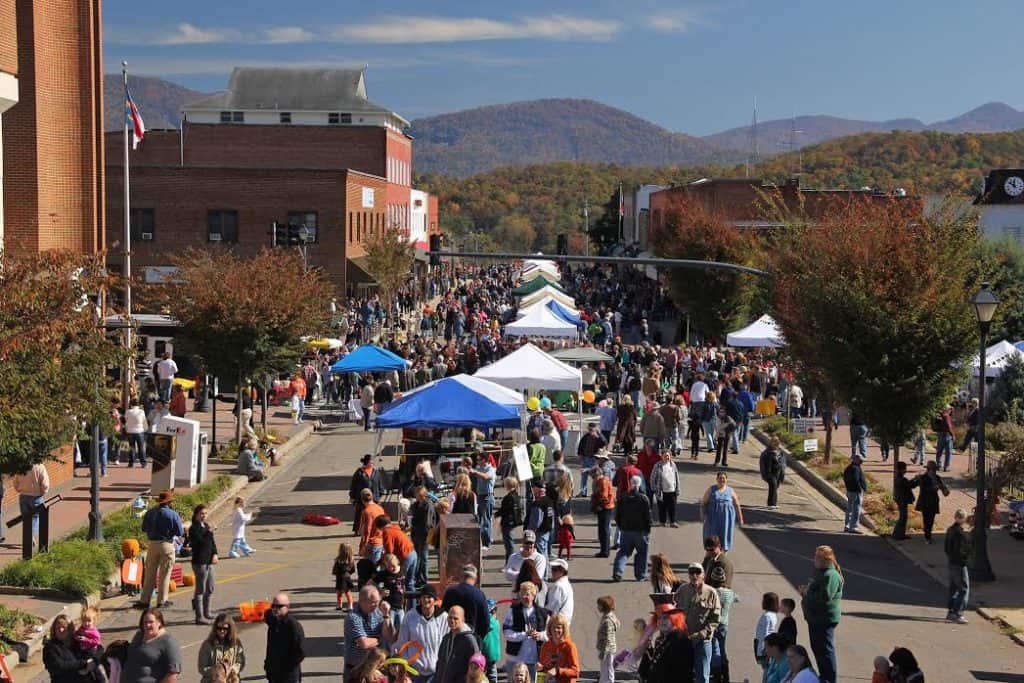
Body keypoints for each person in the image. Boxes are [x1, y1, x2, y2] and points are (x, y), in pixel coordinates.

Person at [799, 546, 843, 683]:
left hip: (824, 619)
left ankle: (829, 678)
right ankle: (824, 677)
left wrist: (807, 593)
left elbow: (825, 596)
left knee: (825, 651)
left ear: (826, 559)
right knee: (817, 648)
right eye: (815, 555)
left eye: (818, 557)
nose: (815, 559)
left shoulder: (831, 575)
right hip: (814, 618)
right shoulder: (820, 572)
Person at [136, 490, 184, 609]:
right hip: (166, 544)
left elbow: (144, 528)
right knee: (165, 574)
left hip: (152, 544)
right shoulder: (173, 514)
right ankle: (162, 600)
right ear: (170, 502)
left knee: (149, 574)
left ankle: (144, 600)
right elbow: (180, 532)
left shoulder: (150, 513)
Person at [674, 563, 721, 683]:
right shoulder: (682, 590)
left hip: (703, 642)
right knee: (682, 674)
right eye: (691, 573)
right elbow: (675, 612)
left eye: (698, 572)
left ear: (703, 575)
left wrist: (701, 634)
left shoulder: (711, 593)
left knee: (702, 676)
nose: (694, 575)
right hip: (684, 640)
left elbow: (715, 619)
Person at [395, 585, 448, 683]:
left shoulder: (444, 617)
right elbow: (402, 643)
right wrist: (406, 665)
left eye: (429, 597)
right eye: (423, 597)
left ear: (435, 599)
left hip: (436, 672)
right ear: (420, 599)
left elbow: (446, 644)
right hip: (414, 672)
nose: (426, 600)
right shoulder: (410, 616)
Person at [122, 608, 184, 683]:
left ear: (159, 622)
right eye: (145, 622)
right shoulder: (139, 635)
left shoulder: (168, 641)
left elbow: (173, 674)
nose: (147, 625)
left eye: (151, 622)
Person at [502, 582, 549, 680]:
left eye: (527, 594)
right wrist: (523, 635)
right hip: (515, 658)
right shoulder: (513, 611)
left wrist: (539, 635)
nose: (524, 597)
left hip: (534, 659)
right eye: (522, 594)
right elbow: (506, 632)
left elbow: (550, 634)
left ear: (533, 595)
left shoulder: (543, 613)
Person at [637, 604, 694, 683]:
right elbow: (651, 668)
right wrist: (648, 648)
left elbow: (679, 672)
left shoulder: (680, 640)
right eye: (659, 618)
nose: (661, 621)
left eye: (666, 618)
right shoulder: (661, 640)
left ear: (675, 618)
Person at [612, 475, 651, 582]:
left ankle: (617, 572)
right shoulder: (643, 498)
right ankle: (641, 575)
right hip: (640, 530)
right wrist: (648, 529)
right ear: (639, 485)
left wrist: (620, 525)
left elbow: (617, 514)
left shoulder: (623, 497)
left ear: (630, 484)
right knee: (642, 553)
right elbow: (647, 516)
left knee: (624, 551)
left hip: (625, 529)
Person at [345, 585, 388, 678]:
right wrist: (380, 638)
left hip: (376, 669)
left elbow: (389, 637)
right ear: (362, 602)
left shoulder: (378, 612)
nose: (377, 605)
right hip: (357, 670)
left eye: (378, 601)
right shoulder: (353, 617)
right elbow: (363, 643)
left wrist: (386, 616)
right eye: (374, 602)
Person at [440, 564, 491, 640]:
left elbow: (443, 616)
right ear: (475, 578)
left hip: (452, 638)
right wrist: (478, 638)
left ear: (462, 576)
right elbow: (486, 623)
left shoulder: (450, 592)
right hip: (472, 639)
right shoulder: (479, 595)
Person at [264, 592, 305, 683]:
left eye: (279, 606)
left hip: (289, 675)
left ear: (287, 607)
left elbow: (301, 651)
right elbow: (266, 614)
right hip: (273, 673)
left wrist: (288, 667)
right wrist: (268, 666)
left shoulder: (293, 625)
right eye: (273, 606)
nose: (275, 609)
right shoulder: (273, 621)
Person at [188, 504, 219, 625]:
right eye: (201, 514)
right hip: (199, 562)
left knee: (210, 587)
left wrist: (215, 553)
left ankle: (207, 612)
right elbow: (199, 543)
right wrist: (209, 532)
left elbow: (211, 542)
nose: (204, 516)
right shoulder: (194, 528)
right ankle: (199, 616)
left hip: (209, 561)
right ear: (196, 515)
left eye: (205, 514)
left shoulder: (205, 526)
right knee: (200, 589)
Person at [435, 606, 481, 683]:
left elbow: (476, 670)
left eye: (456, 618)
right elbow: (440, 663)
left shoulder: (470, 641)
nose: (452, 621)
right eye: (450, 617)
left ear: (463, 620)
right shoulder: (446, 638)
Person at [43, 614, 94, 683]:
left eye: (64, 627)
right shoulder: (50, 647)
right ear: (54, 629)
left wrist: (93, 661)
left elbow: (98, 649)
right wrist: (84, 663)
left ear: (70, 628)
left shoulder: (78, 640)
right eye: (58, 627)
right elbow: (60, 666)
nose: (61, 630)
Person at [700, 472, 743, 552]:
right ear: (716, 479)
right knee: (712, 537)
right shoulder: (711, 489)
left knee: (724, 536)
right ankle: (710, 557)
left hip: (726, 519)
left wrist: (740, 518)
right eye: (720, 478)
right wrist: (702, 515)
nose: (722, 480)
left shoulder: (730, 491)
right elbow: (703, 503)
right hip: (712, 518)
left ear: (726, 480)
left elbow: (737, 504)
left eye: (723, 478)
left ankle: (722, 558)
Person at [197, 614, 246, 683]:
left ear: (230, 629)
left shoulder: (236, 643)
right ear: (215, 628)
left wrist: (232, 669)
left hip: (231, 680)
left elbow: (241, 662)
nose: (222, 631)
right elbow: (202, 668)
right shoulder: (207, 644)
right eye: (219, 628)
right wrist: (218, 671)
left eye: (225, 629)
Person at [944, 508, 972, 624]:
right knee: (964, 589)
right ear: (964, 519)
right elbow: (962, 550)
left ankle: (951, 611)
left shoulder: (950, 530)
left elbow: (946, 548)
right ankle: (957, 613)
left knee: (953, 588)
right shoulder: (960, 533)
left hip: (951, 562)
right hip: (959, 564)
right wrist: (965, 559)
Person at [378, 515, 418, 593]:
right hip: (413, 553)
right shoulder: (395, 528)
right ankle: (412, 604)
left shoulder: (387, 531)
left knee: (399, 582)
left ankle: (398, 602)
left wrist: (382, 563)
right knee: (410, 583)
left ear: (381, 527)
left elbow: (389, 552)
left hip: (405, 556)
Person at [13, 461, 50, 546]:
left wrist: (20, 490)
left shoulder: (21, 466)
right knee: (35, 517)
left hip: (23, 497)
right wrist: (42, 492)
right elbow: (45, 484)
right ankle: (31, 536)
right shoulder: (40, 467)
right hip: (36, 497)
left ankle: (27, 537)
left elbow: (15, 482)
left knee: (26, 518)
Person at [537, 614, 580, 683]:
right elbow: (544, 667)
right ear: (549, 629)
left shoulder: (570, 646)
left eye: (559, 627)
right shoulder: (545, 645)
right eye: (553, 627)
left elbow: (576, 672)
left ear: (564, 629)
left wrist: (557, 671)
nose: (556, 630)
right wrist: (541, 667)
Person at [914, 461, 949, 543]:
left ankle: (928, 535)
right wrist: (934, 487)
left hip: (933, 501)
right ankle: (927, 537)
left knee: (931, 520)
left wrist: (944, 488)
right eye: (932, 470)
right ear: (928, 470)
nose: (934, 471)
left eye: (935, 470)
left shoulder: (937, 477)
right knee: (926, 520)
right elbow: (924, 489)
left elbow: (944, 490)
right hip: (925, 501)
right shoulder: (923, 478)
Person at [350, 454, 386, 534]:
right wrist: (352, 496)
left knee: (374, 514)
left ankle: (375, 529)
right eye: (371, 461)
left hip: (374, 498)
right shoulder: (359, 472)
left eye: (373, 462)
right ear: (367, 462)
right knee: (360, 514)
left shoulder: (376, 472)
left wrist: (381, 494)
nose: (373, 463)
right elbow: (353, 485)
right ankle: (358, 530)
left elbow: (380, 484)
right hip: (362, 498)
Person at [470, 450, 496, 550]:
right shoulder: (479, 468)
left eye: (479, 460)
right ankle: (483, 539)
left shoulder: (491, 469)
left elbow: (486, 476)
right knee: (480, 520)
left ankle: (487, 543)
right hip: (480, 496)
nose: (477, 462)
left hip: (487, 497)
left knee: (486, 520)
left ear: (484, 460)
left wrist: (476, 472)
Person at [590, 463, 616, 558]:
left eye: (593, 477)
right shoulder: (603, 480)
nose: (593, 479)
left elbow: (604, 496)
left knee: (604, 530)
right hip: (606, 506)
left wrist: (598, 505)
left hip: (605, 507)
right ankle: (604, 550)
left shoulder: (602, 481)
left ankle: (605, 551)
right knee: (603, 529)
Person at [650, 448, 680, 527]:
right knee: (662, 507)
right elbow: (652, 478)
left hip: (672, 490)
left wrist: (678, 488)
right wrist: (654, 488)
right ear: (662, 456)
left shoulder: (673, 464)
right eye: (665, 456)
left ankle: (672, 522)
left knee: (672, 507)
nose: (667, 457)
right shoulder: (658, 465)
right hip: (661, 491)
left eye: (668, 456)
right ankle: (662, 522)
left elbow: (676, 477)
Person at [576, 423, 607, 497]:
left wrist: (599, 461)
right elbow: (581, 446)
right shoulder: (586, 436)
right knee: (584, 475)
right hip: (586, 458)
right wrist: (580, 456)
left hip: (594, 459)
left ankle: (596, 492)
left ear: (596, 429)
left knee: (596, 477)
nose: (590, 431)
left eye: (591, 430)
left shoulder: (601, 439)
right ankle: (583, 492)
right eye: (589, 429)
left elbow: (604, 449)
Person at [499, 476, 525, 561]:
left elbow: (504, 510)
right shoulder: (516, 495)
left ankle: (510, 562)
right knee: (509, 544)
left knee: (509, 545)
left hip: (508, 522)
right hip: (513, 521)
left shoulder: (508, 497)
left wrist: (497, 515)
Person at [595, 596, 620, 683]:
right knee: (604, 668)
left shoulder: (608, 621)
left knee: (608, 668)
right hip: (606, 648)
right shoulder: (609, 616)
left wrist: (604, 652)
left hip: (607, 650)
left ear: (604, 607)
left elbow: (608, 638)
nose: (597, 607)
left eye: (599, 605)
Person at [892, 462, 918, 541]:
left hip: (901, 499)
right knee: (902, 518)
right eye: (904, 469)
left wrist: (915, 480)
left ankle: (900, 534)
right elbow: (909, 485)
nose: (905, 470)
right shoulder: (901, 479)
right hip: (902, 500)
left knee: (903, 517)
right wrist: (917, 480)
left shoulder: (899, 478)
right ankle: (897, 535)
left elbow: (908, 484)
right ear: (902, 469)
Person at [842, 454, 867, 534]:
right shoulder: (855, 468)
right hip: (855, 492)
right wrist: (860, 489)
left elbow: (845, 478)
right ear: (856, 460)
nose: (861, 462)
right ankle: (853, 527)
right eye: (860, 460)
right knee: (856, 509)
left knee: (850, 508)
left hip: (850, 491)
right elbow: (856, 480)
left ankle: (847, 525)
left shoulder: (849, 468)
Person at [359, 489, 387, 563]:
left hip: (372, 544)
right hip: (381, 541)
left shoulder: (366, 512)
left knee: (371, 568)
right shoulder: (380, 508)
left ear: (362, 499)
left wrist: (364, 545)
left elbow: (366, 530)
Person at [759, 436, 786, 509]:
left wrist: (783, 473)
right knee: (773, 485)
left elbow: (783, 463)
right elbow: (762, 464)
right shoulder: (766, 452)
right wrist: (764, 473)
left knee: (775, 487)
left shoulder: (781, 452)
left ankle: (774, 502)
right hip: (769, 472)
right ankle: (771, 504)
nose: (775, 443)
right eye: (773, 442)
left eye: (776, 442)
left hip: (778, 472)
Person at [545, 558, 575, 623]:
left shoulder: (558, 586)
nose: (552, 572)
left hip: (558, 622)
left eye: (555, 570)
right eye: (552, 569)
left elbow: (552, 608)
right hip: (564, 621)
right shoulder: (566, 583)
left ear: (562, 571)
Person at [755, 592, 780, 667]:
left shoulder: (766, 616)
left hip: (764, 648)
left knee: (766, 669)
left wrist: (760, 652)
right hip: (768, 646)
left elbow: (764, 634)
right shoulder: (773, 615)